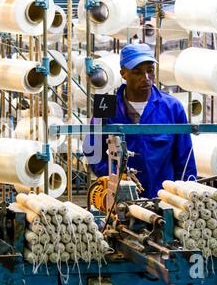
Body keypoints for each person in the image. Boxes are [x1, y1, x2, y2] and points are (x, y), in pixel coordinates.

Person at [83, 43, 197, 198]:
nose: (146, 78)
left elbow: (185, 159)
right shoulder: (107, 107)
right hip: (120, 197)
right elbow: (92, 152)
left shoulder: (172, 107)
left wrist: (185, 198)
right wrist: (115, 176)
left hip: (163, 197)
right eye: (137, 72)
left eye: (150, 71)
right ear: (123, 73)